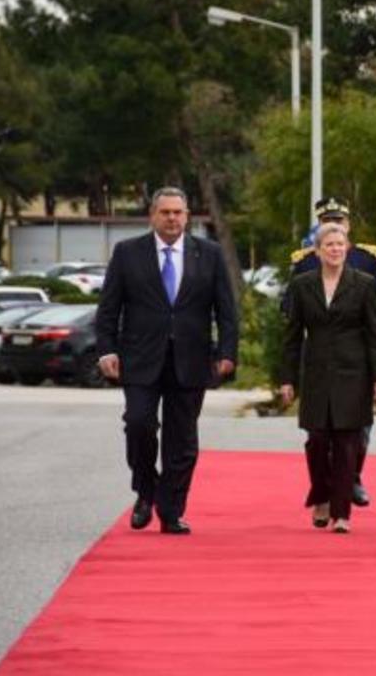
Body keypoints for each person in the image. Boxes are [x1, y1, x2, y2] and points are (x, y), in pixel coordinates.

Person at [96, 187, 238, 535]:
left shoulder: (209, 254)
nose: (172, 218)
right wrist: (107, 349)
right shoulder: (128, 253)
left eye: (178, 212)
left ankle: (171, 510)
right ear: (152, 216)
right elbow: (109, 308)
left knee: (182, 441)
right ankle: (146, 490)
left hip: (192, 360)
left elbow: (226, 310)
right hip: (140, 358)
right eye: (165, 212)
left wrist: (227, 353)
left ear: (187, 216)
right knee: (139, 424)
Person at [286, 196, 376, 508]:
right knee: (319, 434)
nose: (334, 227)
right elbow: (291, 313)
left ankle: (352, 479)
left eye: (340, 221)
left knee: (357, 428)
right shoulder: (305, 262)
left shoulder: (367, 259)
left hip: (358, 358)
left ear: (348, 226)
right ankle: (325, 487)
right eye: (327, 221)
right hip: (321, 359)